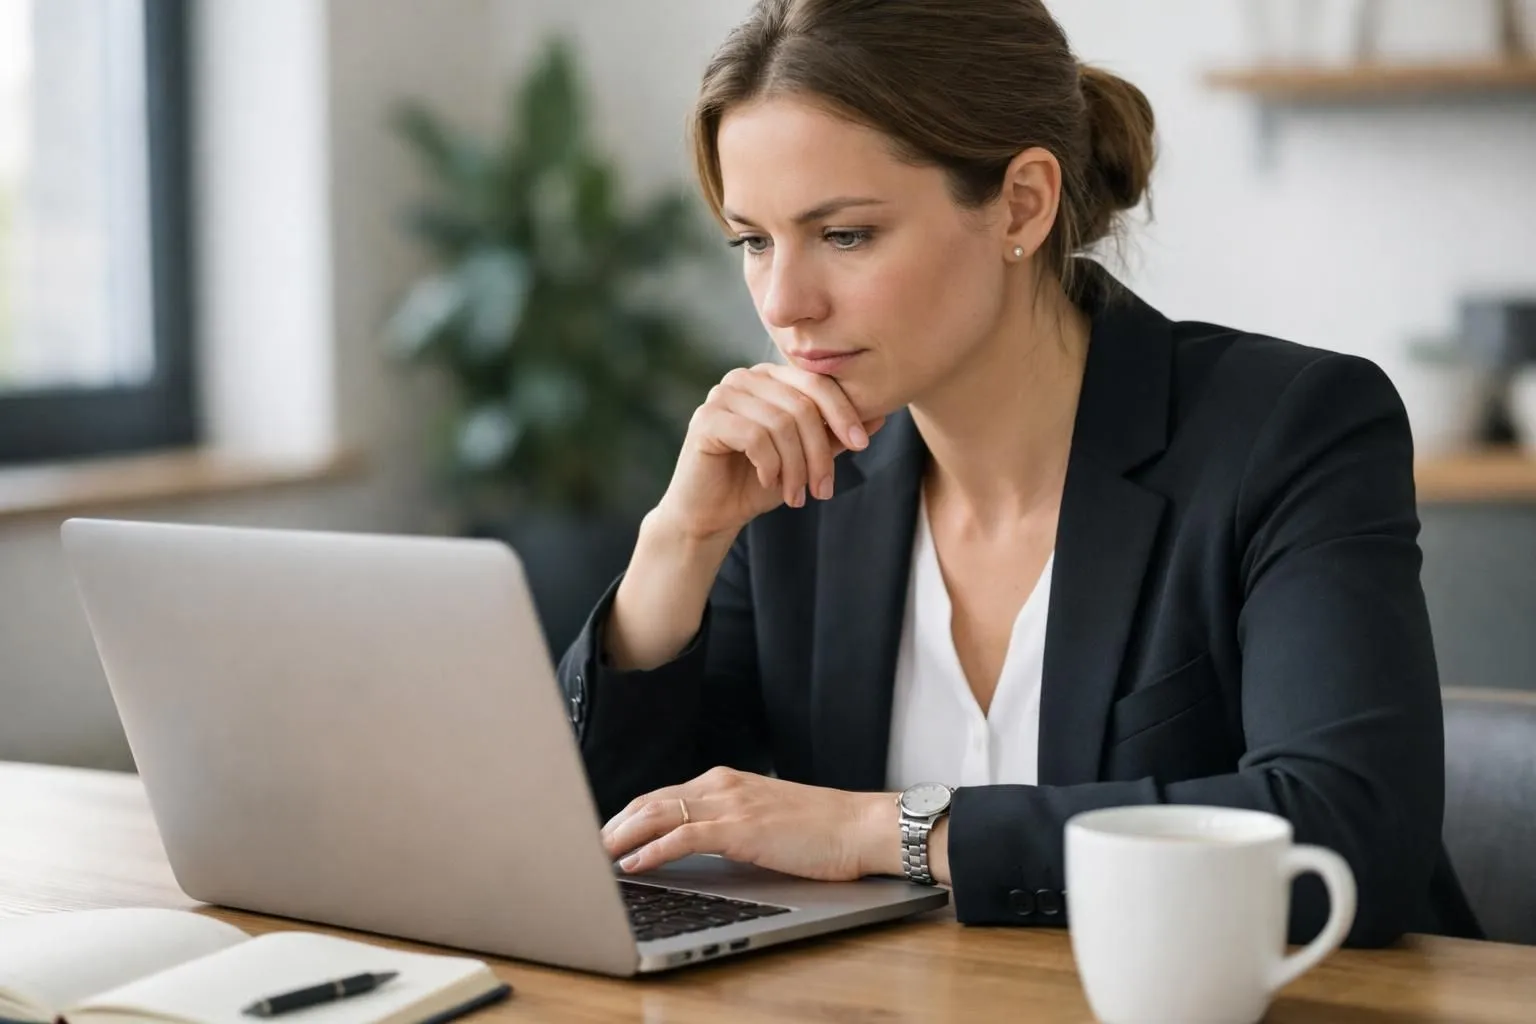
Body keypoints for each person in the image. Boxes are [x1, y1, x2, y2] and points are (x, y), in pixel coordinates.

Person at [555, 0, 1481, 947]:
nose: (784, 303)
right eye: (753, 241)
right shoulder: (797, 480)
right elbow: (617, 846)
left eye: (845, 235)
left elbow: (1347, 832)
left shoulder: (1289, 429)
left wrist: (882, 831)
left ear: (1023, 203)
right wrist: (679, 542)